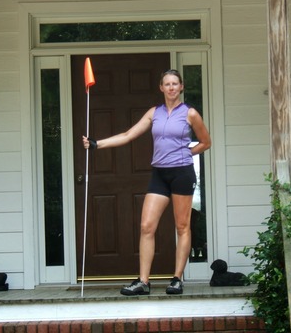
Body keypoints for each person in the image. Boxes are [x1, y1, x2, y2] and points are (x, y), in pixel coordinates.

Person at [83, 69, 211, 295]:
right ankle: (143, 281)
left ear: (181, 87)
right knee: (146, 226)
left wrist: (185, 154)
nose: (171, 88)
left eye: (175, 84)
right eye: (167, 84)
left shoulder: (190, 114)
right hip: (159, 174)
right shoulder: (155, 113)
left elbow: (205, 142)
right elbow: (128, 135)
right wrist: (96, 144)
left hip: (182, 173)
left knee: (182, 226)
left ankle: (177, 279)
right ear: (161, 88)